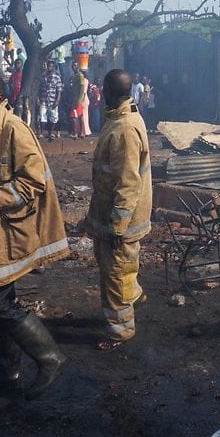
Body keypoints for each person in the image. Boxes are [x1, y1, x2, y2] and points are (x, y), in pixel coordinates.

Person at [0, 74, 70, 400]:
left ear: (0, 98)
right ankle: (6, 374)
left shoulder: (13, 129)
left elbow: (32, 182)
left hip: (9, 231)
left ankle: (51, 358)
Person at [84, 69, 152, 350]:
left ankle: (120, 330)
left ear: (108, 92)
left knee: (114, 274)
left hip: (120, 221)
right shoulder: (125, 118)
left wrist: (117, 227)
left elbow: (127, 183)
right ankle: (134, 294)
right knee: (120, 267)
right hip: (112, 214)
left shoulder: (123, 128)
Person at [38, 60, 63, 140]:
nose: (49, 67)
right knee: (42, 116)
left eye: (51, 66)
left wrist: (57, 100)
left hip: (53, 100)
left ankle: (50, 133)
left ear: (54, 67)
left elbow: (59, 90)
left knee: (53, 117)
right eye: (48, 66)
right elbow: (39, 89)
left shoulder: (57, 78)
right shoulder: (43, 77)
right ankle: (42, 133)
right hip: (43, 99)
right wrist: (38, 99)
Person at [70, 64, 90, 139]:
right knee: (80, 115)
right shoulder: (77, 75)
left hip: (78, 99)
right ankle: (81, 133)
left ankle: (76, 133)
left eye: (75, 65)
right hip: (77, 98)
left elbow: (82, 88)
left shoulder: (80, 75)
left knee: (74, 116)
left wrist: (79, 100)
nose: (73, 67)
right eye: (73, 66)